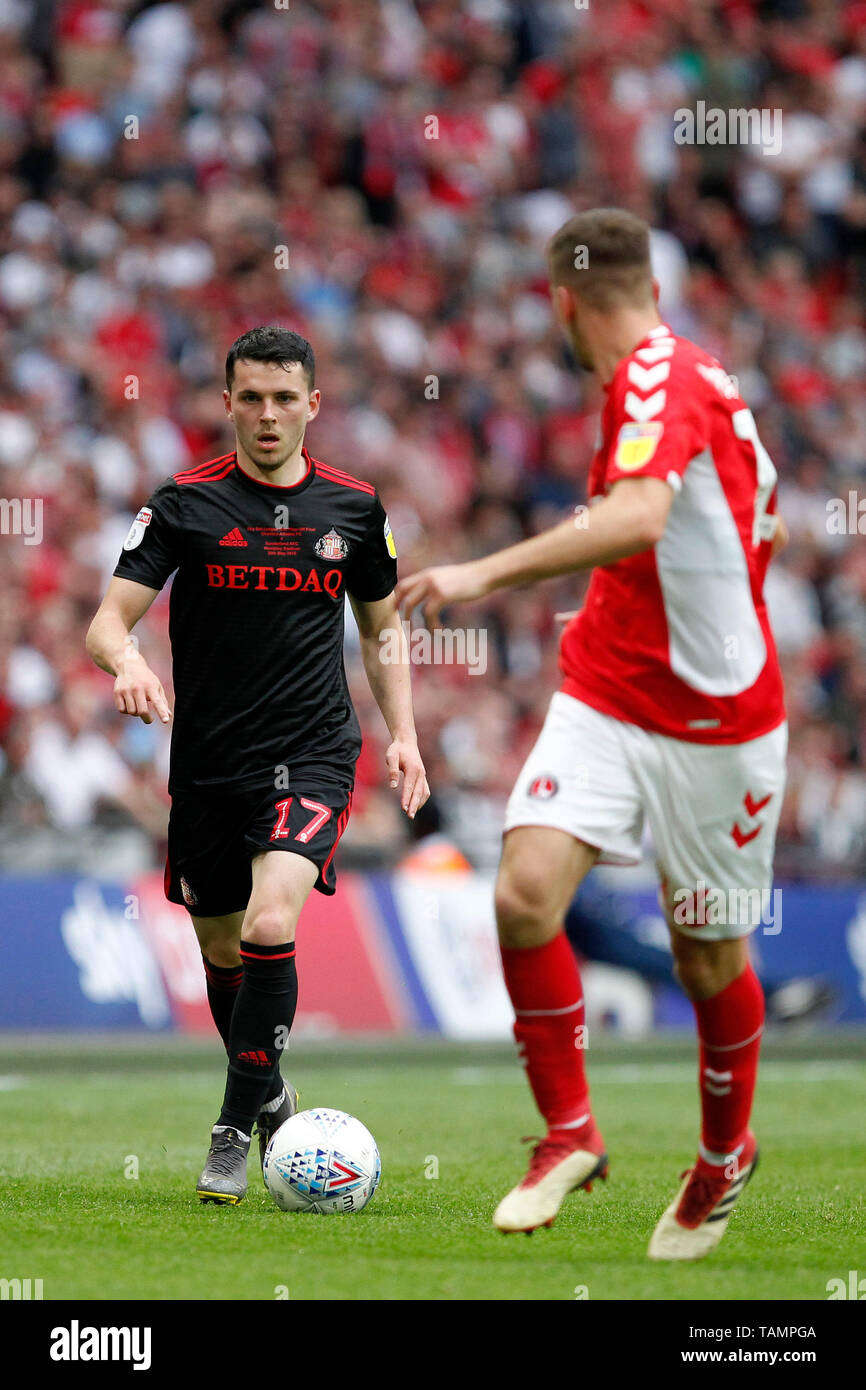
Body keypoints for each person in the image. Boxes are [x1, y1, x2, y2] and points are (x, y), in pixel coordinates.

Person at [396, 208, 788, 1261]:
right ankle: (567, 1132)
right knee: (524, 895)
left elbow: (634, 518)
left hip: (717, 722)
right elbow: (762, 514)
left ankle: (721, 1152)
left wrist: (477, 572)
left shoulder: (660, 381)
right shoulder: (682, 381)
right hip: (609, 688)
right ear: (649, 288)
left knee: (706, 957)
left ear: (563, 299)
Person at [87, 325, 428, 1205]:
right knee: (222, 946)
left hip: (313, 752)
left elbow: (385, 629)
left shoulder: (353, 509)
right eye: (252, 397)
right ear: (228, 402)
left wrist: (404, 734)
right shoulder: (183, 505)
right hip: (207, 767)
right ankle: (268, 1088)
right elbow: (105, 622)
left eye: (286, 398)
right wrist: (126, 662)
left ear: (313, 404)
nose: (268, 414)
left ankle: (232, 1136)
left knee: (270, 924)